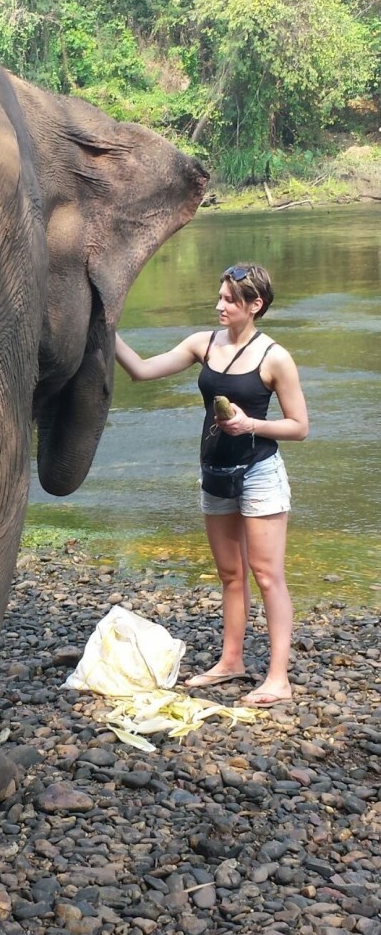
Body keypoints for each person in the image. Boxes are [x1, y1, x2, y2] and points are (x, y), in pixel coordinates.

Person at [114, 263, 309, 707]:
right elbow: (141, 370)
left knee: (267, 575)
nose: (219, 305)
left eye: (229, 300)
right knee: (230, 574)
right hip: (214, 472)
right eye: (220, 297)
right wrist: (104, 332)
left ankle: (278, 678)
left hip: (259, 473)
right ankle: (231, 661)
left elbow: (299, 427)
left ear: (255, 305)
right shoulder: (202, 344)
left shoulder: (274, 357)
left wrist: (250, 424)